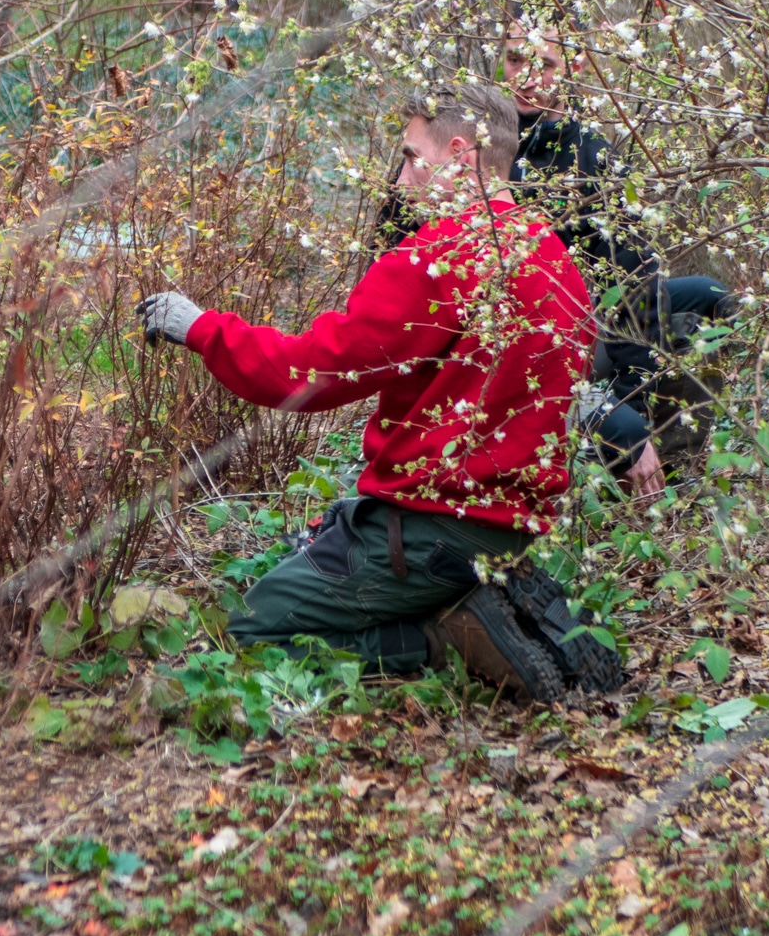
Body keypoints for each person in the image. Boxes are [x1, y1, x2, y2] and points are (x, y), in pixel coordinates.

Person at [138, 83, 623, 702]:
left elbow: (310, 375)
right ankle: (480, 606)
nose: (400, 179)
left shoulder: (440, 259)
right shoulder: (552, 255)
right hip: (511, 525)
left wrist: (201, 327)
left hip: (435, 529)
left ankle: (436, 637)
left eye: (410, 156)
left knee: (249, 631)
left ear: (460, 155)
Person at [502, 20, 738, 493]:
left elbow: (632, 279)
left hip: (596, 310)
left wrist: (634, 399)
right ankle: (602, 443)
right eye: (514, 60)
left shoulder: (589, 151)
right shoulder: (486, 139)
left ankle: (667, 457)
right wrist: (608, 414)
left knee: (711, 299)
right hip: (535, 327)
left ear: (575, 66)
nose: (526, 76)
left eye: (544, 64)